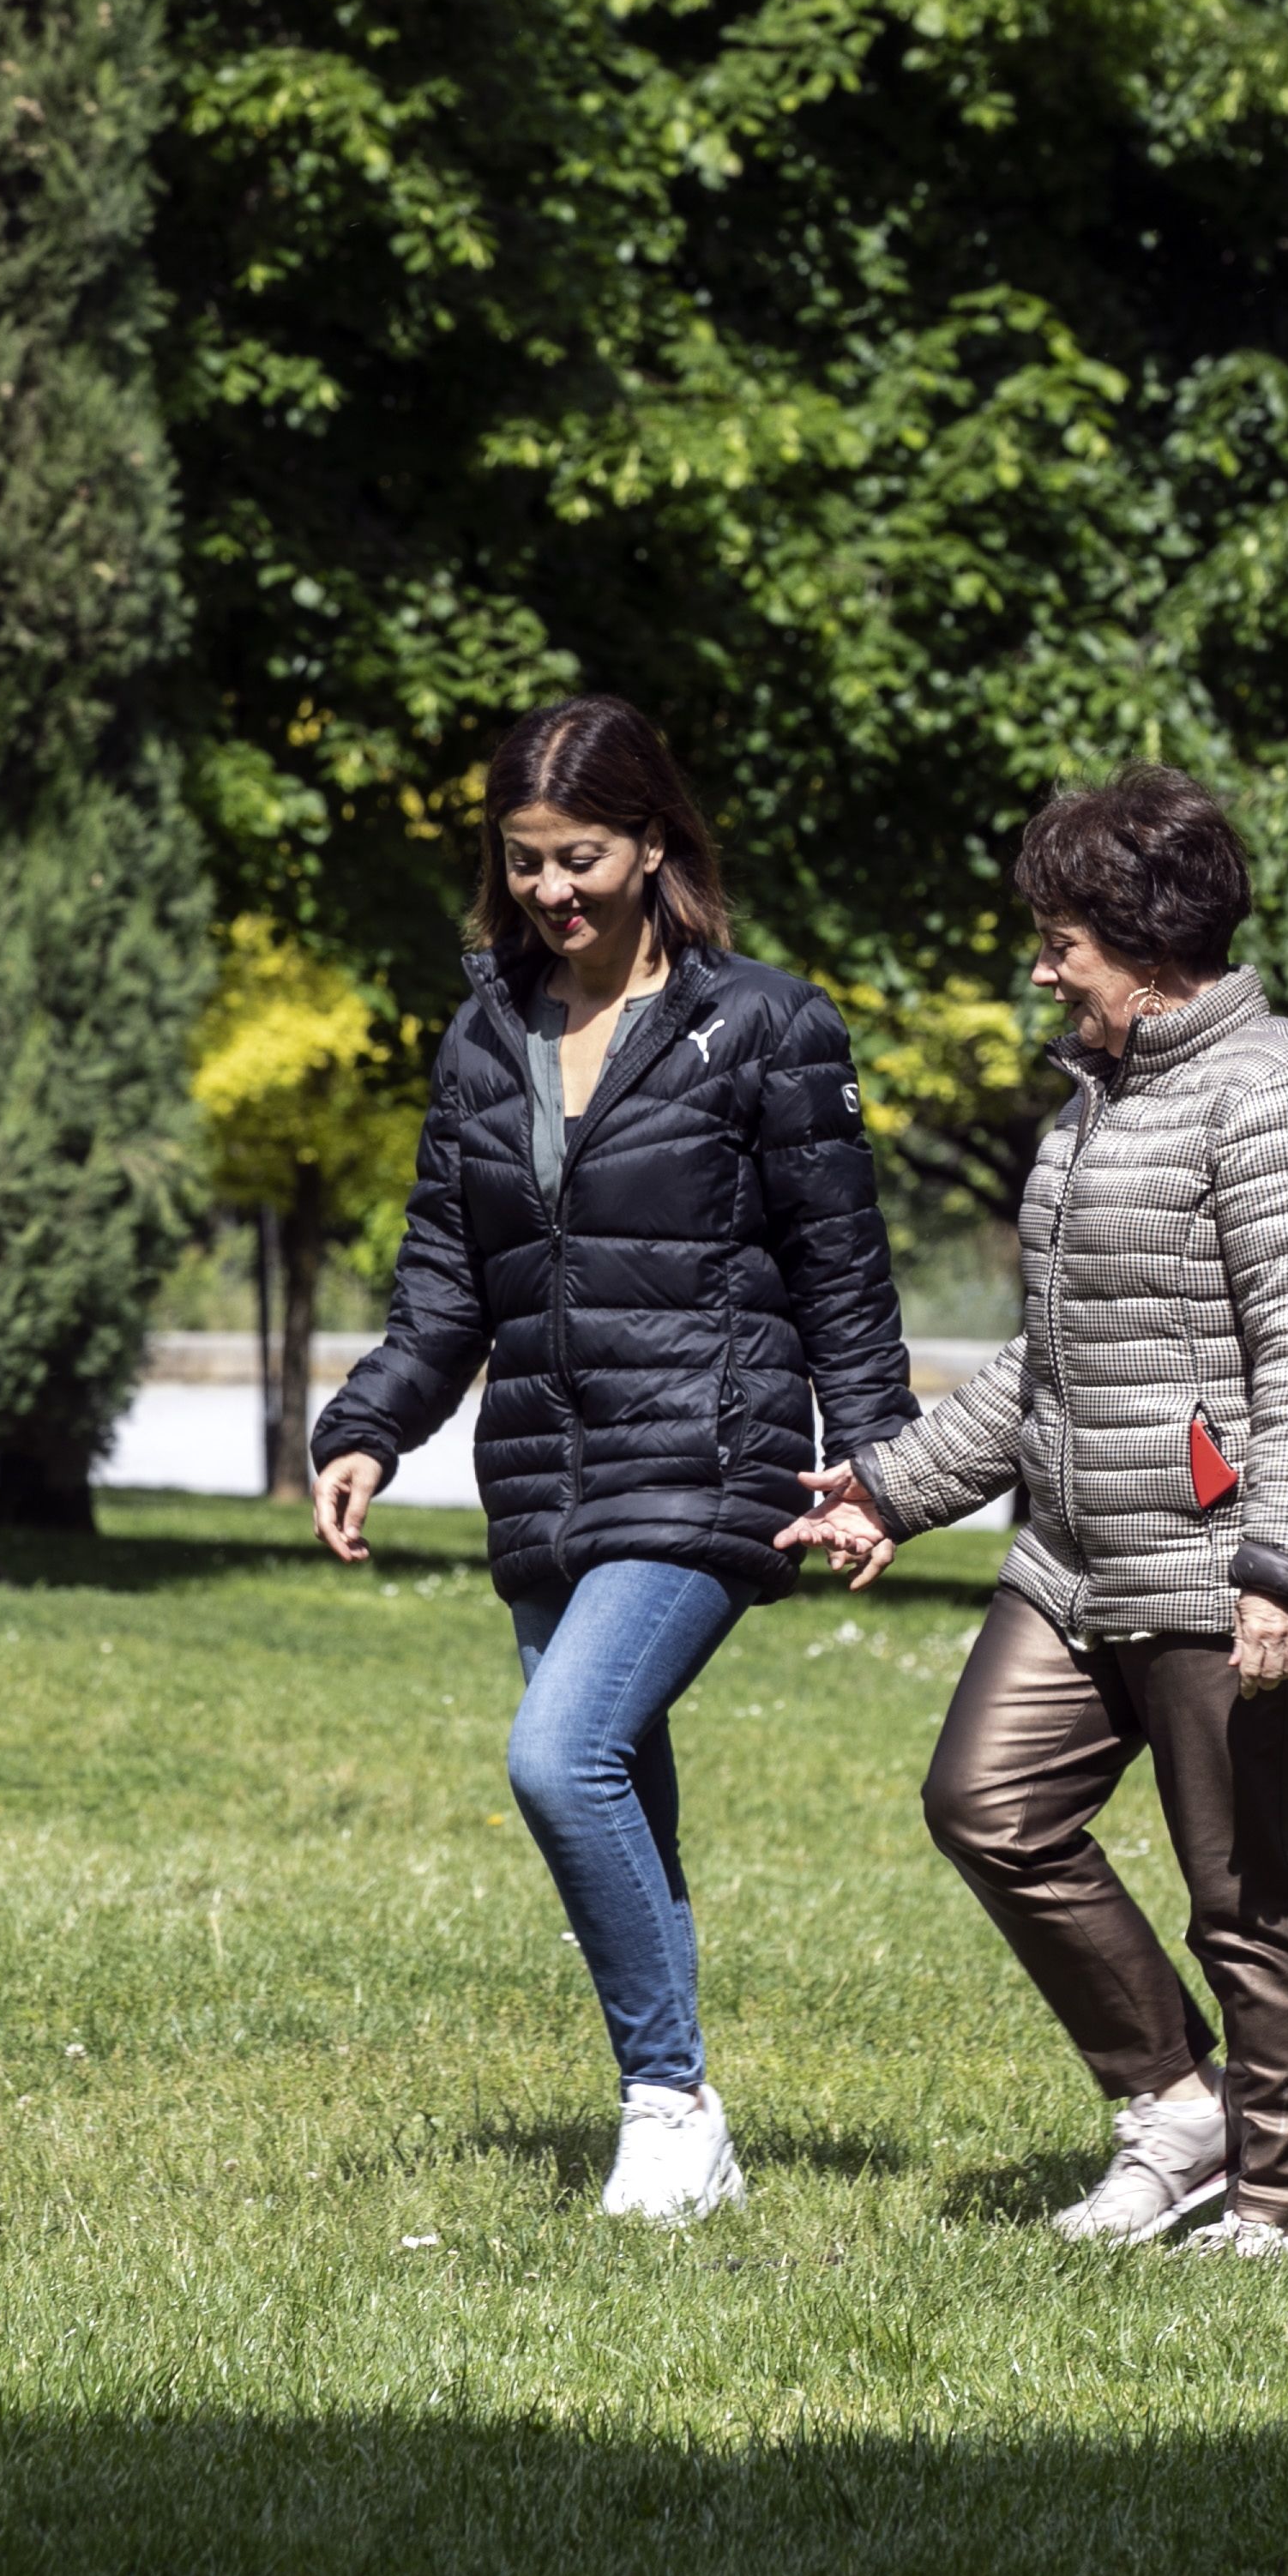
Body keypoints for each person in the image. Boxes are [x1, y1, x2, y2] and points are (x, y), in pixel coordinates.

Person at [310, 696, 913, 2224]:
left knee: (557, 1756)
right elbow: (447, 1280)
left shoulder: (765, 1026)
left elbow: (843, 1273)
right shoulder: (485, 1033)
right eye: (524, 864)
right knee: (621, 1800)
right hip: (546, 1476)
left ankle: (667, 2103)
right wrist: (370, 1424)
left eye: (579, 856)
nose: (552, 892)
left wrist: (882, 1472)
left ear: (654, 844)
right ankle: (682, 2130)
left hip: (713, 1455)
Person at [781, 766, 1288, 2259]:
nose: (1045, 968)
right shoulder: (1105, 1100)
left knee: (1246, 1893)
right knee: (989, 1806)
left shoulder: (1282, 1098)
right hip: (1075, 1551)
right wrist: (894, 1489)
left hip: (1224, 1559)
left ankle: (1278, 2207)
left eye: (1062, 941)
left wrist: (1285, 1567)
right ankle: (1178, 2104)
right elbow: (1054, 1363)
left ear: (1146, 932)